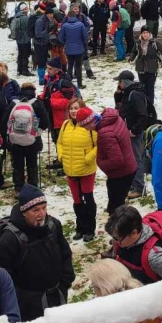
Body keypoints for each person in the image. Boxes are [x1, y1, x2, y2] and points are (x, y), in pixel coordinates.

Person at [0, 186, 74, 323]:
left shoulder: (54, 225)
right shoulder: (8, 240)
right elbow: (2, 278)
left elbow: (65, 254)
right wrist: (21, 301)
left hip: (53, 296)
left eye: (44, 207)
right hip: (25, 304)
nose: (42, 214)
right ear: (24, 212)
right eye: (36, 210)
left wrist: (64, 283)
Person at [84, 108, 137, 215]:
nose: (86, 129)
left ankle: (118, 224)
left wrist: (100, 163)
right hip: (129, 166)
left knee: (117, 204)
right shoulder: (114, 119)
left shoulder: (105, 133)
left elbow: (116, 160)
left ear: (90, 122)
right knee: (116, 197)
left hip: (121, 173)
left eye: (85, 126)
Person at [58, 103, 99, 242]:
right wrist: (61, 156)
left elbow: (98, 145)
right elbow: (60, 143)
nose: (74, 111)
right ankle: (80, 228)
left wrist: (88, 157)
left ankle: (90, 228)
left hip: (86, 169)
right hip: (71, 170)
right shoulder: (65, 125)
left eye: (77, 108)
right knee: (77, 201)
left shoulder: (89, 126)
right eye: (71, 108)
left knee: (88, 199)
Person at [105, 206, 162, 284]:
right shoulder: (121, 240)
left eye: (118, 239)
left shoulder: (155, 257)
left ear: (134, 233)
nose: (115, 242)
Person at [4, 82, 49, 193]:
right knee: (32, 164)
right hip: (32, 140)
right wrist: (37, 131)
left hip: (15, 140)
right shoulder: (36, 103)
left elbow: (5, 120)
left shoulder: (14, 103)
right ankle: (33, 187)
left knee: (18, 165)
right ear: (33, 91)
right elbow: (45, 122)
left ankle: (18, 188)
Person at [114, 70, 153, 198]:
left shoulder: (134, 95)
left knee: (136, 159)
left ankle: (139, 187)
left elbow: (143, 115)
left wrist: (134, 131)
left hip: (135, 133)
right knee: (130, 158)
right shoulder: (128, 92)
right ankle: (133, 184)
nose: (118, 84)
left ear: (124, 82)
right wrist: (118, 94)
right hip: (129, 131)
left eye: (119, 82)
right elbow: (121, 108)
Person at [129, 26, 162, 105]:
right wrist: (131, 58)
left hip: (152, 68)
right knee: (142, 87)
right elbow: (134, 51)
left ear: (149, 33)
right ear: (141, 34)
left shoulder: (154, 42)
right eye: (143, 33)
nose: (145, 34)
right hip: (140, 67)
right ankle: (143, 103)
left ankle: (150, 104)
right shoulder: (138, 42)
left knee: (150, 88)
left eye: (147, 33)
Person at [58, 4, 90, 89]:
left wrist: (66, 42)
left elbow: (60, 38)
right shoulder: (80, 24)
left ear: (68, 16)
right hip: (79, 49)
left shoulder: (64, 26)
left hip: (69, 49)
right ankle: (79, 84)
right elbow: (85, 37)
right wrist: (81, 42)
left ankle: (68, 84)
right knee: (78, 67)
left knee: (70, 66)